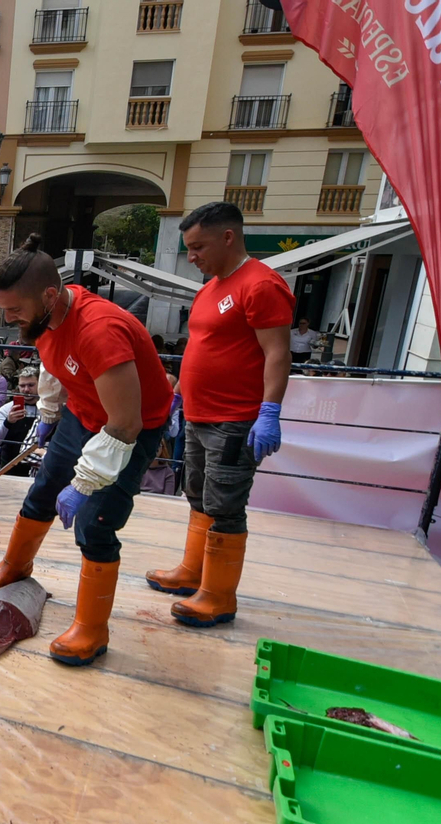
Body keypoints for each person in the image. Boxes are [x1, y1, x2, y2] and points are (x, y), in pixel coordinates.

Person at [0, 234, 173, 667]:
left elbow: (126, 422)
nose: (8, 319)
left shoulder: (99, 330)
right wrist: (48, 416)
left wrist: (86, 481)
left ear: (49, 294)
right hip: (82, 413)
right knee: (43, 489)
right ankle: (16, 564)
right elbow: (55, 368)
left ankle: (92, 627)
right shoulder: (44, 317)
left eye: (14, 310)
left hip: (130, 428)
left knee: (96, 521)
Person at [145, 202, 292, 628]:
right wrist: (177, 393)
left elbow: (277, 352)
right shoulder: (211, 287)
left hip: (234, 419)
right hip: (197, 413)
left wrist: (270, 410)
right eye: (189, 248)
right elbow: (200, 346)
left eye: (198, 247)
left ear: (228, 237)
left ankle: (219, 595)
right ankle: (193, 573)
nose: (192, 257)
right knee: (197, 493)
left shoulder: (261, 285)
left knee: (226, 504)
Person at [0, 366, 42, 472]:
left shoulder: (49, 410)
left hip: (38, 467)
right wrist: (8, 422)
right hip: (9, 467)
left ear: (40, 384)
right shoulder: (6, 409)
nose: (26, 389)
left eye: (31, 385)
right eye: (22, 386)